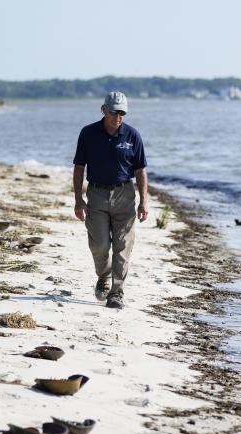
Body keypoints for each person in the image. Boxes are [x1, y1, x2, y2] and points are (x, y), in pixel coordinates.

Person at [72, 91, 149, 309]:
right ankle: (103, 277)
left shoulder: (132, 135)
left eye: (122, 113)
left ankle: (116, 293)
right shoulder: (88, 133)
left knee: (123, 248)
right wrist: (78, 199)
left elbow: (141, 171)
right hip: (96, 194)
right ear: (104, 109)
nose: (118, 117)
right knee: (99, 245)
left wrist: (144, 202)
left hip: (125, 195)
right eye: (114, 112)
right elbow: (79, 168)